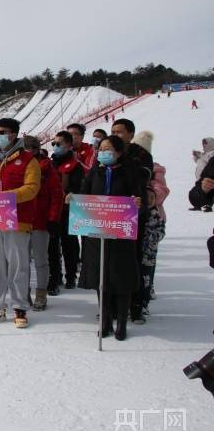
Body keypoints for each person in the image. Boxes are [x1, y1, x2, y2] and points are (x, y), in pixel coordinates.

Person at [0, 118, 41, 328]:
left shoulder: (29, 159)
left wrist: (5, 197)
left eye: (3, 131)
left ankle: (20, 306)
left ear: (14, 134)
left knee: (18, 265)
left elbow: (32, 188)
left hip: (17, 221)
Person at [78, 136, 143, 341]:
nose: (103, 152)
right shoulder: (94, 172)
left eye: (108, 149)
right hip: (97, 234)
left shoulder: (130, 172)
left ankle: (122, 322)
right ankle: (105, 320)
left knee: (120, 277)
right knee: (101, 277)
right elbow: (84, 195)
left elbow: (138, 198)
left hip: (120, 233)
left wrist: (138, 202)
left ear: (119, 152)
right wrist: (74, 198)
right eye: (101, 148)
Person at [111, 118, 154, 324]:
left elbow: (142, 177)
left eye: (119, 131)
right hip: (109, 215)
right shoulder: (106, 152)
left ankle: (136, 306)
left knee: (133, 260)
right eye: (113, 131)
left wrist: (122, 161)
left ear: (130, 134)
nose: (116, 134)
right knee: (110, 261)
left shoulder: (141, 154)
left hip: (132, 214)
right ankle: (112, 306)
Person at [22, 136, 63, 311]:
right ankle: (23, 293)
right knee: (21, 260)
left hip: (40, 219)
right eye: (25, 148)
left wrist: (53, 218)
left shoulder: (46, 167)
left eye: (30, 147)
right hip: (21, 219)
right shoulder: (16, 165)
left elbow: (56, 193)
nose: (27, 150)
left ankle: (41, 294)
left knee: (40, 260)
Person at [48, 130, 84, 294]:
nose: (55, 146)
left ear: (69, 145)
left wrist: (71, 193)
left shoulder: (76, 165)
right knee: (52, 245)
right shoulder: (50, 163)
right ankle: (55, 276)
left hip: (69, 210)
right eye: (53, 144)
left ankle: (71, 276)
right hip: (52, 210)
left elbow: (79, 187)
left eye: (59, 143)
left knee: (69, 244)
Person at [141, 188, 165, 313]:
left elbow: (161, 233)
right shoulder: (137, 213)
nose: (149, 200)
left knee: (146, 281)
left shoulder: (156, 216)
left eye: (152, 198)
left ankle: (144, 304)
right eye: (147, 197)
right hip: (135, 254)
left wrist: (148, 235)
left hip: (149, 255)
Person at [191, 137, 214, 212]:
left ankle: (208, 205)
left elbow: (208, 159)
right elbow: (200, 161)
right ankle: (197, 205)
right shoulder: (205, 154)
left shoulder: (212, 153)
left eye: (206, 144)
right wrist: (196, 156)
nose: (204, 146)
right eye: (203, 144)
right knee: (199, 191)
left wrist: (200, 155)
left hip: (208, 177)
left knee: (208, 191)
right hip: (200, 177)